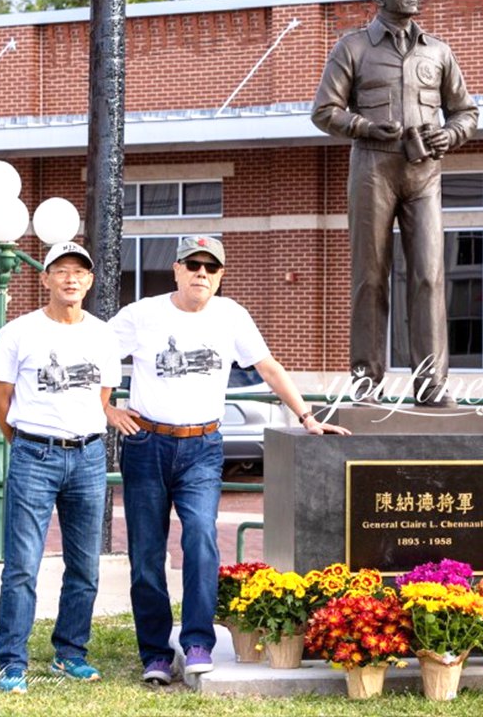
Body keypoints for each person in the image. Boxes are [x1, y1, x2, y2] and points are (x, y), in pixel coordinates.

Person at [105, 236, 350, 685]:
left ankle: (197, 641)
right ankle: (155, 653)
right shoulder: (141, 314)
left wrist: (308, 416)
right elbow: (97, 354)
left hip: (203, 446)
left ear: (220, 276)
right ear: (176, 269)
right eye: (193, 264)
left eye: (211, 267)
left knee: (201, 539)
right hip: (147, 444)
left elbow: (269, 367)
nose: (202, 273)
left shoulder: (232, 315)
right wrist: (108, 408)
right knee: (146, 554)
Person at [311, 0, 479, 406]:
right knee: (370, 278)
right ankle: (367, 384)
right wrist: (365, 127)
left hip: (425, 172)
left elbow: (466, 112)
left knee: (428, 274)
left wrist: (449, 134)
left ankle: (431, 385)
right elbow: (324, 111)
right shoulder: (353, 47)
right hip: (373, 169)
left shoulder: (438, 51)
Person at [0, 241, 121, 693]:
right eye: (60, 271)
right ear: (44, 279)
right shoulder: (19, 332)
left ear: (89, 281)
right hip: (33, 456)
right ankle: (11, 663)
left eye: (78, 272)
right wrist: (25, 441)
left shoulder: (103, 334)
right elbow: (0, 398)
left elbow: (102, 396)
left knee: (85, 566)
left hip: (87, 457)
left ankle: (70, 653)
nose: (70, 279)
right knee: (22, 565)